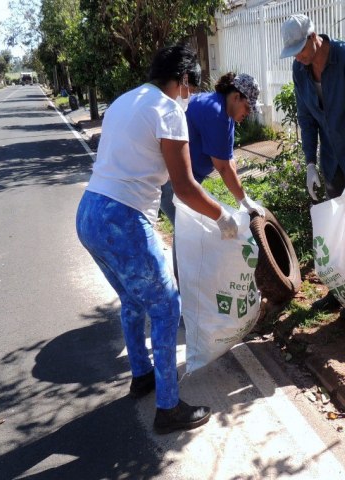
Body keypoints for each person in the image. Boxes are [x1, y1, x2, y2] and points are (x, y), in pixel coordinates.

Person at [76, 45, 238, 434]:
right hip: (123, 220)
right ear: (182, 80)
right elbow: (184, 187)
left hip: (88, 214)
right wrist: (223, 215)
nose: (192, 95)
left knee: (132, 300)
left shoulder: (122, 101)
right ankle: (168, 408)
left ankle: (142, 374)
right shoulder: (167, 111)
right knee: (167, 307)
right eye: (192, 86)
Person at [280, 13, 345, 311]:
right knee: (335, 229)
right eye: (293, 53)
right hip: (331, 158)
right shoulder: (300, 70)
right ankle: (340, 292)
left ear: (314, 38)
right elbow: (306, 119)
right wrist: (310, 163)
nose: (298, 58)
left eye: (300, 50)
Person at [159, 72, 265, 227]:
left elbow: (229, 160)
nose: (248, 114)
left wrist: (241, 198)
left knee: (190, 234)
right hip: (173, 182)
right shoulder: (215, 113)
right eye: (248, 107)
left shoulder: (226, 113)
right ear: (236, 97)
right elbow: (222, 167)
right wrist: (244, 200)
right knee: (190, 232)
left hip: (185, 182)